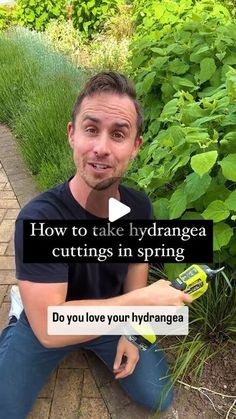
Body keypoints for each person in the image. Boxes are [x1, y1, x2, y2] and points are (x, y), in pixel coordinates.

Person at [0, 71, 192, 418]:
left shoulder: (138, 207)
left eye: (118, 134)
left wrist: (132, 333)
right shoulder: (40, 218)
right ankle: (19, 312)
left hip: (109, 316)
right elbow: (50, 328)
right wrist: (143, 301)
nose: (102, 147)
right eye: (91, 129)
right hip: (49, 322)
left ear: (135, 146)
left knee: (159, 396)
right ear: (72, 134)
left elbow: (136, 269)